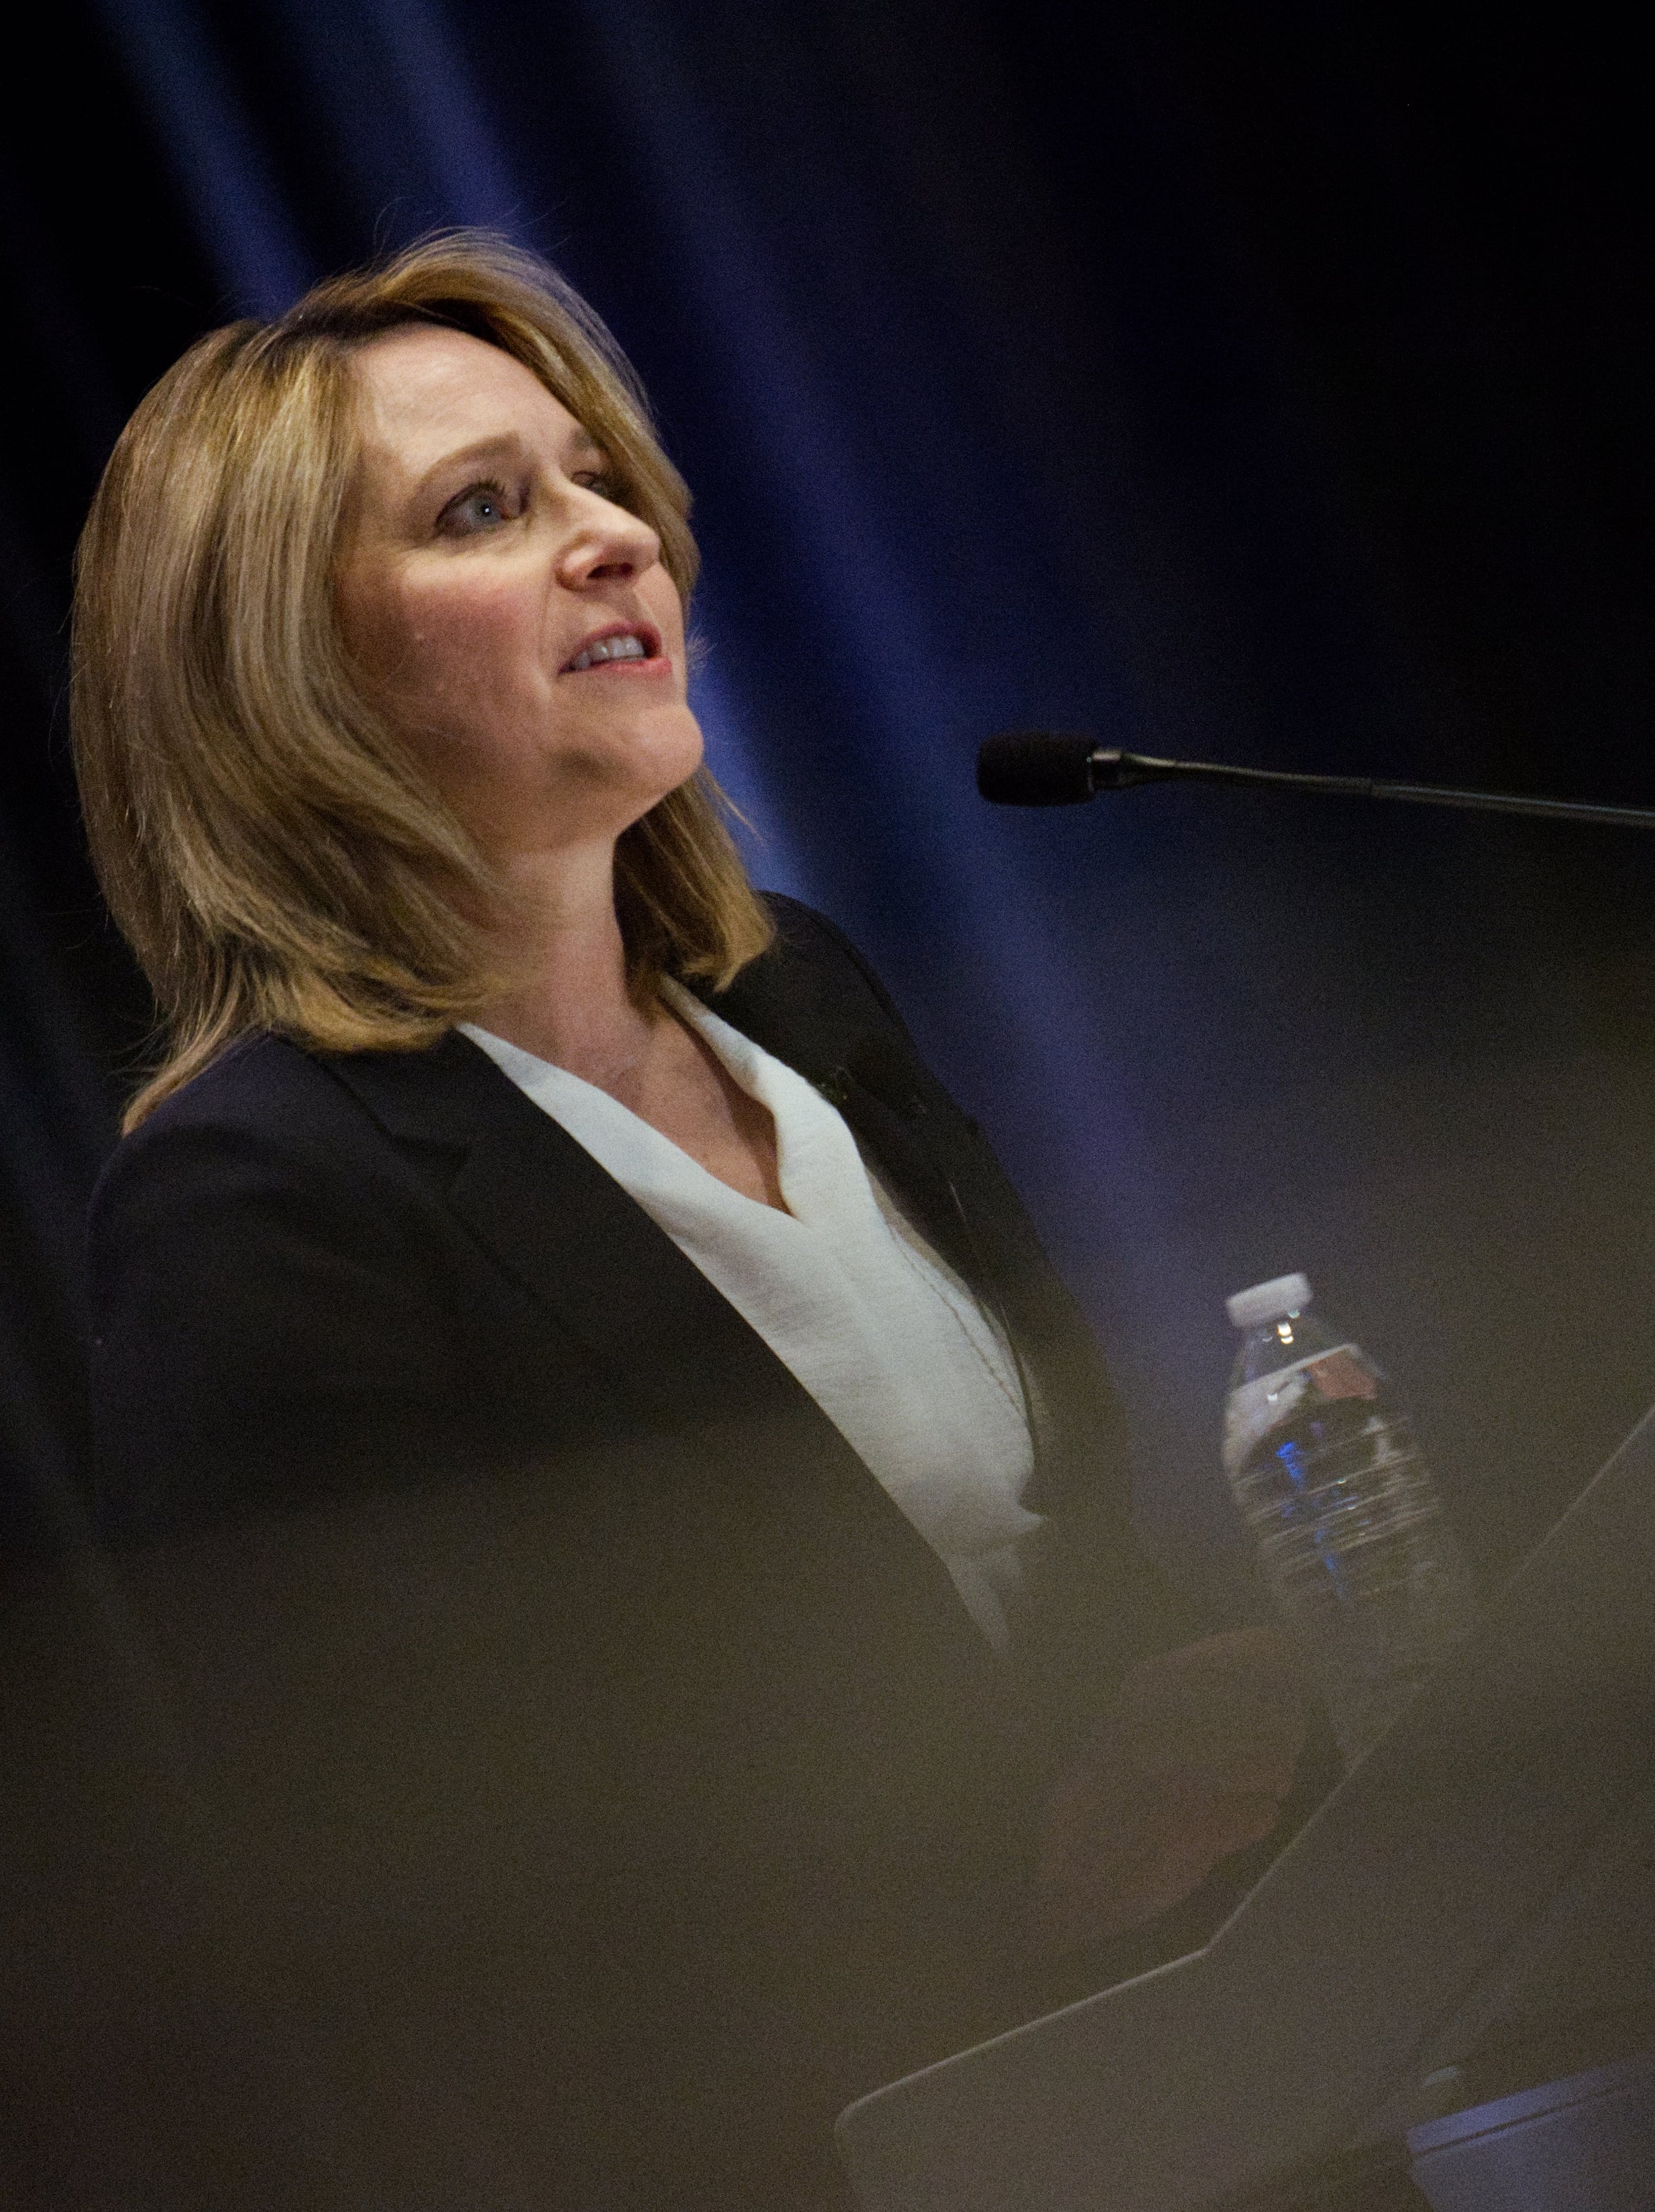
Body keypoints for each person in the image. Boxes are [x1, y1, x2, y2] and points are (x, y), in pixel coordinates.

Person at [68, 231, 1302, 2205]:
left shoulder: (794, 993)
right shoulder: (265, 1200)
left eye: (597, 479)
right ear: (291, 679)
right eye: (485, 510)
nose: (613, 537)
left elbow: (1063, 1564)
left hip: (1236, 2086)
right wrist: (1028, 1889)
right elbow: (431, 1937)